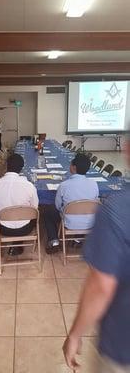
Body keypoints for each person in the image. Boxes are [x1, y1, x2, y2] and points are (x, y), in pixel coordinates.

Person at [63, 141, 130, 373]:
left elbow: (101, 286)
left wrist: (75, 334)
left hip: (123, 345)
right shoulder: (97, 190)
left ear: (127, 149)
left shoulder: (117, 208)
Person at [43, 154, 99, 254]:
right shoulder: (94, 184)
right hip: (90, 222)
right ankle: (77, 240)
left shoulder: (64, 185)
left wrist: (65, 209)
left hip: (70, 222)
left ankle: (54, 241)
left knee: (47, 212)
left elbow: (57, 206)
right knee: (83, 212)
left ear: (74, 167)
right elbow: (95, 201)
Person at [0, 153, 39, 260]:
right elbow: (35, 208)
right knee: (35, 214)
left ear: (6, 165)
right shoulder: (29, 186)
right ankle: (17, 246)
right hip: (25, 229)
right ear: (22, 168)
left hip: (3, 228)